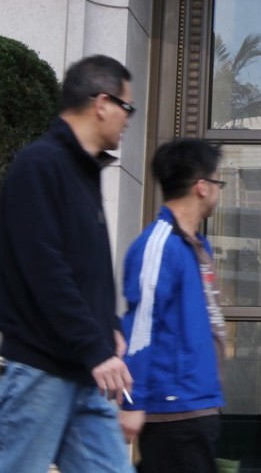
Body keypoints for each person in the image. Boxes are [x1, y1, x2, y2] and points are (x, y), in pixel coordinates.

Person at [0, 55, 135, 473]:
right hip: (41, 371)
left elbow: (83, 269)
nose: (129, 119)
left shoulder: (83, 172)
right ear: (102, 103)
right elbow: (46, 272)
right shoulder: (39, 166)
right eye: (126, 107)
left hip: (85, 373)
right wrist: (94, 347)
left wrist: (109, 326)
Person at [118, 138, 228, 473]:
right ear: (201, 187)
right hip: (172, 414)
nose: (219, 191)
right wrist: (132, 401)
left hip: (199, 407)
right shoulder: (159, 244)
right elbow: (140, 325)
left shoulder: (198, 246)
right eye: (218, 182)